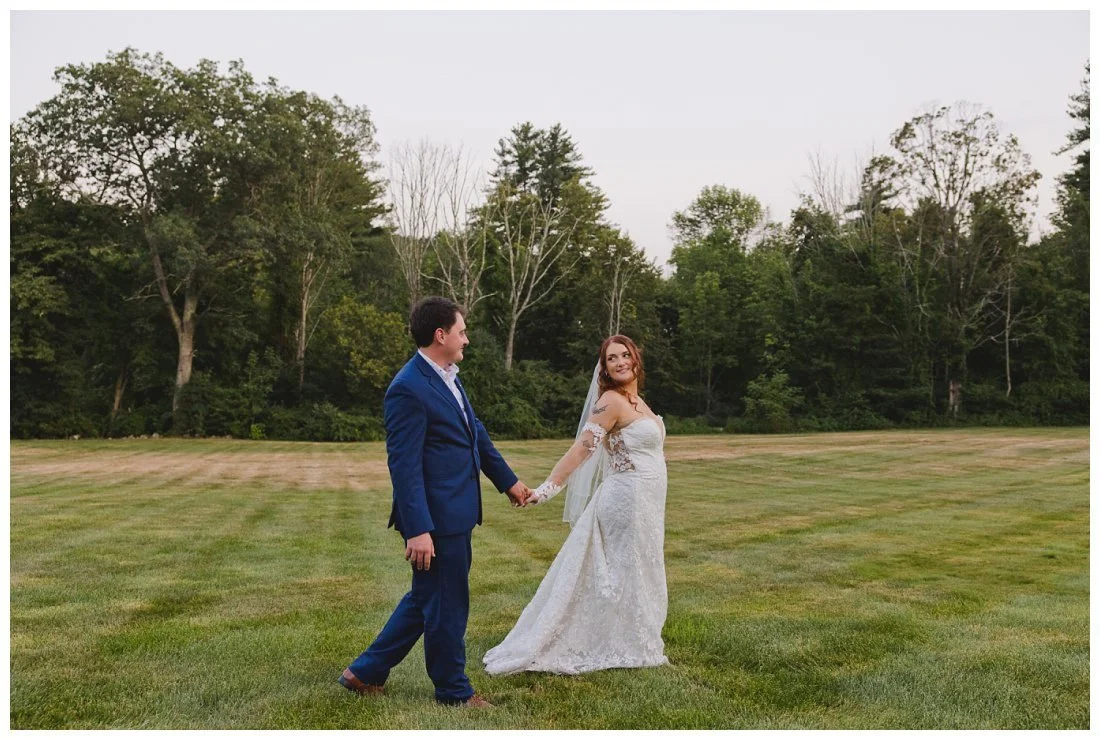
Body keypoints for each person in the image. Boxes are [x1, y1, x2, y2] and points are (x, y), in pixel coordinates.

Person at [340, 296, 532, 707]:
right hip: (437, 520)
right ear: (440, 335)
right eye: (462, 331)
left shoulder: (448, 374)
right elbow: (404, 467)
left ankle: (364, 672)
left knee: (426, 599)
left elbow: (473, 432)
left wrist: (509, 483)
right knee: (447, 606)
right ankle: (454, 691)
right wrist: (418, 529)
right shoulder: (407, 388)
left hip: (456, 513)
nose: (467, 339)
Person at [483, 334, 669, 675]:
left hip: (649, 502)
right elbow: (581, 449)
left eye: (624, 355)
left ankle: (635, 636)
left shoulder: (638, 402)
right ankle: (624, 641)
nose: (620, 362)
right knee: (623, 569)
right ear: (605, 368)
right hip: (626, 500)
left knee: (641, 565)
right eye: (611, 358)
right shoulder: (610, 402)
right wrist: (547, 489)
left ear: (635, 359)